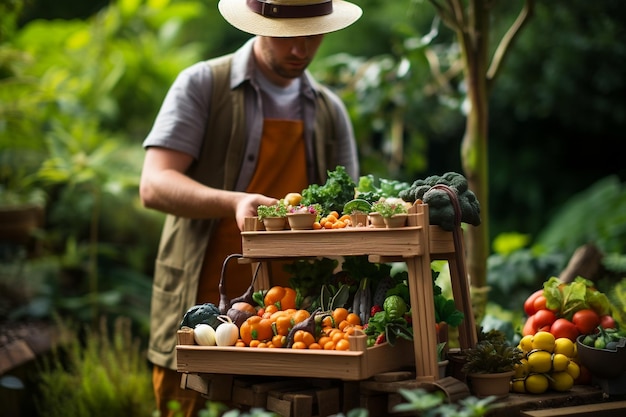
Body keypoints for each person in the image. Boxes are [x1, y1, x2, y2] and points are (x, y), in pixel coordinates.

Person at [139, 0, 363, 415]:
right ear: (257, 23)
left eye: (312, 34)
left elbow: (347, 210)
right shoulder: (203, 85)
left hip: (298, 331)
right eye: (287, 37)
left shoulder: (330, 111)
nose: (300, 49)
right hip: (204, 318)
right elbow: (153, 185)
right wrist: (235, 201)